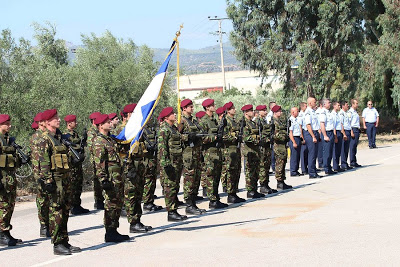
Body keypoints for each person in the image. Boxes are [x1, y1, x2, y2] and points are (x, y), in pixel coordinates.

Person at [36, 109, 81, 255]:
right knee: (56, 211)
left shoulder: (59, 137)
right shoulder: (45, 139)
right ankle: (57, 244)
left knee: (65, 210)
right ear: (47, 122)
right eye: (55, 118)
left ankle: (64, 241)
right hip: (55, 181)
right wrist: (48, 181)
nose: (59, 120)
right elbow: (43, 162)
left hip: (65, 179)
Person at [92, 114, 130, 242]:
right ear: (100, 125)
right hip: (109, 178)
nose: (110, 123)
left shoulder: (110, 139)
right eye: (107, 122)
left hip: (117, 176)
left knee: (117, 203)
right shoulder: (99, 141)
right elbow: (99, 163)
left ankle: (114, 229)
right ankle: (109, 231)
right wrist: (103, 179)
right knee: (110, 204)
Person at [158, 107, 188, 221]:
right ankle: (171, 212)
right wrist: (165, 164)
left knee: (175, 186)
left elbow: (179, 140)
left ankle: (174, 209)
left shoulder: (173, 128)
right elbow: (162, 148)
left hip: (177, 161)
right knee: (169, 187)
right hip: (170, 162)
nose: (175, 115)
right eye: (172, 114)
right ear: (166, 117)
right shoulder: (164, 129)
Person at [200, 99, 228, 209]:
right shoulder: (203, 121)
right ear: (207, 108)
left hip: (217, 152)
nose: (214, 106)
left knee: (216, 176)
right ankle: (212, 200)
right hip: (209, 153)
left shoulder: (214, 120)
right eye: (212, 105)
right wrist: (214, 137)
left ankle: (216, 198)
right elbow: (202, 138)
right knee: (211, 176)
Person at [180, 99, 207, 215]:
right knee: (189, 179)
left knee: (196, 178)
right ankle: (189, 204)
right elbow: (177, 136)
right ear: (184, 108)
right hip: (188, 154)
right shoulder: (181, 121)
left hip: (196, 153)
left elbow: (201, 131)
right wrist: (188, 137)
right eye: (189, 107)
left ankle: (193, 202)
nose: (192, 108)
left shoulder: (194, 121)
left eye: (192, 106)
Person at [0, 114, 23, 247]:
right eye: (7, 124)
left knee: (9, 206)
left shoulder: (9, 140)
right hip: (2, 179)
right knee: (2, 206)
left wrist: (20, 160)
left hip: (10, 179)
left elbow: (13, 161)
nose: (9, 126)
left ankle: (6, 231)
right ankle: (1, 234)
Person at [63, 114, 90, 215]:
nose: (76, 123)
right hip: (72, 165)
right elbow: (66, 149)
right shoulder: (66, 135)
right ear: (69, 123)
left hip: (78, 164)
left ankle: (77, 205)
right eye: (74, 121)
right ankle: (72, 206)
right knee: (72, 185)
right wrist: (72, 159)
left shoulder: (75, 134)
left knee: (78, 184)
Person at [31, 112, 51, 237]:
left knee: (49, 199)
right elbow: (40, 159)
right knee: (43, 199)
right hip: (41, 173)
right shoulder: (37, 137)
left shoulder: (47, 136)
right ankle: (44, 225)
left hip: (46, 171)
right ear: (41, 123)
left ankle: (48, 225)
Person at [223, 102, 246, 203]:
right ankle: (230, 194)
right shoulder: (225, 121)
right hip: (229, 150)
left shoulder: (234, 121)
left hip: (236, 149)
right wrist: (235, 137)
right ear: (228, 110)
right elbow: (223, 136)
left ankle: (234, 192)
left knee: (237, 171)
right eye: (232, 108)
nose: (234, 110)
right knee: (231, 172)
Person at [241, 104, 265, 198]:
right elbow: (246, 137)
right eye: (250, 111)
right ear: (246, 112)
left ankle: (254, 189)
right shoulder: (244, 123)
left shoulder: (253, 122)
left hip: (255, 150)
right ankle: (250, 190)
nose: (252, 112)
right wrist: (257, 140)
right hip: (249, 150)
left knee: (256, 171)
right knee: (250, 171)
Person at [254, 105, 277, 194]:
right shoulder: (257, 121)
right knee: (263, 166)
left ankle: (266, 184)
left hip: (267, 146)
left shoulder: (264, 120)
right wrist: (266, 139)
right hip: (262, 147)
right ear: (259, 111)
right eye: (263, 110)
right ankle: (262, 185)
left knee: (267, 165)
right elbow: (259, 135)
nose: (265, 112)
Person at [142, 123, 163, 212]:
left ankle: (150, 201)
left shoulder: (150, 128)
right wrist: (146, 147)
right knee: (148, 180)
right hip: (146, 158)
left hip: (152, 158)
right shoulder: (140, 129)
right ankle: (147, 203)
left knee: (152, 180)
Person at [271, 106, 293, 190]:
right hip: (278, 145)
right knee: (279, 164)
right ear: (275, 112)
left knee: (283, 162)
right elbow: (274, 135)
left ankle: (282, 181)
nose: (281, 112)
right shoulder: (273, 121)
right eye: (279, 111)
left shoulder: (279, 121)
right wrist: (284, 137)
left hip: (282, 145)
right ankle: (279, 182)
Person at [87, 111, 104, 210]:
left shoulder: (98, 130)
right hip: (95, 159)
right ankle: (98, 201)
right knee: (97, 180)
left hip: (101, 158)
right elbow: (91, 146)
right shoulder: (91, 132)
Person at [303, 97, 322, 178]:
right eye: (314, 102)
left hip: (314, 132)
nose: (315, 103)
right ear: (310, 103)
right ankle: (312, 173)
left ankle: (314, 171)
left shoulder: (313, 112)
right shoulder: (308, 112)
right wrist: (313, 136)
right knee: (312, 154)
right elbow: (308, 125)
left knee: (314, 154)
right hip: (310, 133)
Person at [319, 99, 336, 175]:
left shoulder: (328, 112)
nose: (330, 104)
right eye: (329, 103)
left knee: (330, 151)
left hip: (331, 132)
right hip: (327, 133)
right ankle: (326, 168)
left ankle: (329, 167)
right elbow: (322, 124)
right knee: (327, 152)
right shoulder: (323, 113)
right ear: (324, 104)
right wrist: (325, 135)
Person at [288, 107, 304, 177]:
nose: (298, 112)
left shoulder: (297, 119)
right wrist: (294, 142)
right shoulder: (290, 120)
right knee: (294, 156)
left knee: (297, 155)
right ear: (293, 112)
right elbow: (290, 132)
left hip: (298, 138)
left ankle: (296, 170)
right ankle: (293, 171)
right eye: (297, 111)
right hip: (293, 138)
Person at [331, 101, 345, 172]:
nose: (339, 107)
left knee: (339, 150)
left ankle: (337, 165)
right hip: (336, 132)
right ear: (334, 106)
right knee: (335, 150)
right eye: (338, 105)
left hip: (339, 132)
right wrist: (335, 136)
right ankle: (335, 166)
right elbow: (333, 126)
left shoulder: (337, 114)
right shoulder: (333, 114)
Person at [340, 101, 353, 170]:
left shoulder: (346, 113)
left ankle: (345, 162)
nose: (348, 106)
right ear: (343, 106)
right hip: (344, 131)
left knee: (346, 149)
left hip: (348, 131)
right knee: (343, 148)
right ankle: (343, 163)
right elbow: (341, 124)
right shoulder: (341, 113)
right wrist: (344, 134)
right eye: (346, 105)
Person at [349, 99, 362, 167]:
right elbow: (349, 122)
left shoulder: (355, 112)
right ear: (353, 104)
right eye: (356, 103)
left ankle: (354, 160)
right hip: (353, 129)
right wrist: (351, 132)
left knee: (355, 146)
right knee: (352, 146)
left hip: (357, 129)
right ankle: (352, 161)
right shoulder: (350, 112)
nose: (357, 105)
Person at [298, 102, 308, 175]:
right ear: (302, 107)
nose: (306, 107)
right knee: (303, 152)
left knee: (307, 152)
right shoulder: (300, 115)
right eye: (305, 106)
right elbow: (300, 126)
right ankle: (304, 169)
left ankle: (306, 167)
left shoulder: (306, 113)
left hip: (306, 132)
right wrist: (302, 136)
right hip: (303, 133)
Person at [266, 102, 276, 173]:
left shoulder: (275, 115)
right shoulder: (270, 115)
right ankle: (273, 166)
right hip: (271, 135)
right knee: (272, 152)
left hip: (275, 135)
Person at [316, 99, 324, 170]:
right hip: (320, 131)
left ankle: (324, 162)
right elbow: (318, 122)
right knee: (320, 148)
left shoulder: (324, 112)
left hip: (324, 130)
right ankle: (321, 163)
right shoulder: (318, 112)